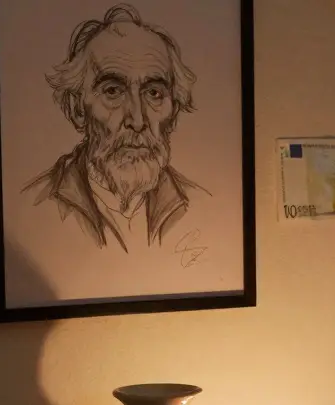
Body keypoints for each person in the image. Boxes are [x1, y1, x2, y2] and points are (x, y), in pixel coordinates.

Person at [23, 3, 206, 253]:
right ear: (77, 108)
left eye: (154, 93)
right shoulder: (34, 205)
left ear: (173, 111)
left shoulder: (201, 206)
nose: (138, 120)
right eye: (112, 91)